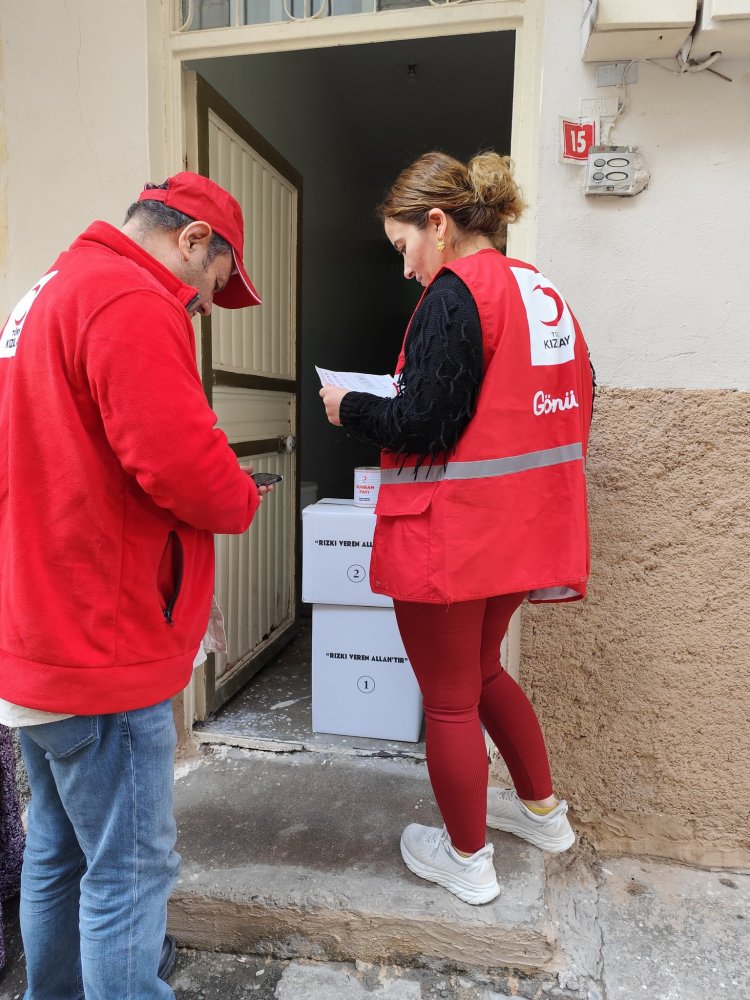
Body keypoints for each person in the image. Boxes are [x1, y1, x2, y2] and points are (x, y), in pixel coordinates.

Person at [0, 172, 271, 997]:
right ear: (193, 241)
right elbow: (181, 465)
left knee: (57, 849)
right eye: (210, 288)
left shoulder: (42, 293)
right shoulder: (130, 299)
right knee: (129, 869)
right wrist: (240, 494)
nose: (199, 306)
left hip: (39, 629)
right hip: (103, 642)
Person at [320, 151, 593, 906]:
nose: (407, 270)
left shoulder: (455, 293)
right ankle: (544, 815)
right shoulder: (542, 292)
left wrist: (351, 408)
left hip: (452, 535)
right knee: (484, 675)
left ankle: (466, 859)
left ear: (437, 225)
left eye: (404, 248)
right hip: (524, 531)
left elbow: (425, 420)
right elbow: (579, 398)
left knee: (447, 699)